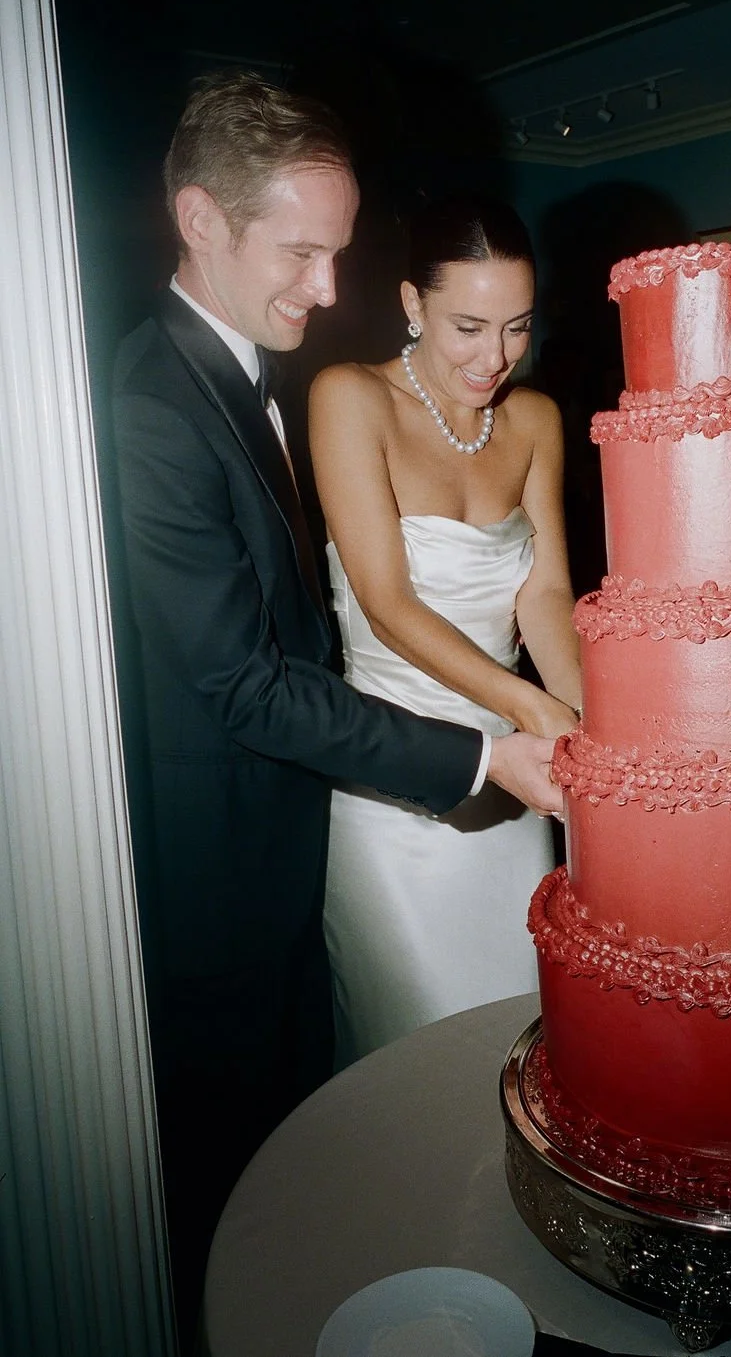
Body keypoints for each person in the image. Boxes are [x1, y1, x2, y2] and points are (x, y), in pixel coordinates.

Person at [111, 75, 562, 1339]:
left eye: (339, 252)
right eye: (300, 252)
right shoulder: (153, 404)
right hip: (218, 883)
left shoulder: (246, 374)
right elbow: (242, 681)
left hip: (301, 837)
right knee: (241, 1204)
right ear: (200, 219)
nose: (326, 286)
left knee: (350, 1134)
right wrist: (490, 750)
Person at [308, 194, 582, 1063]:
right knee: (420, 1056)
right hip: (397, 787)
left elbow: (547, 592)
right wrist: (536, 710)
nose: (493, 357)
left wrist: (580, 725)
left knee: (526, 1039)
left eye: (516, 327)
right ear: (411, 304)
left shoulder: (534, 418)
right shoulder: (350, 397)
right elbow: (387, 603)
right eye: (468, 325)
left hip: (517, 789)